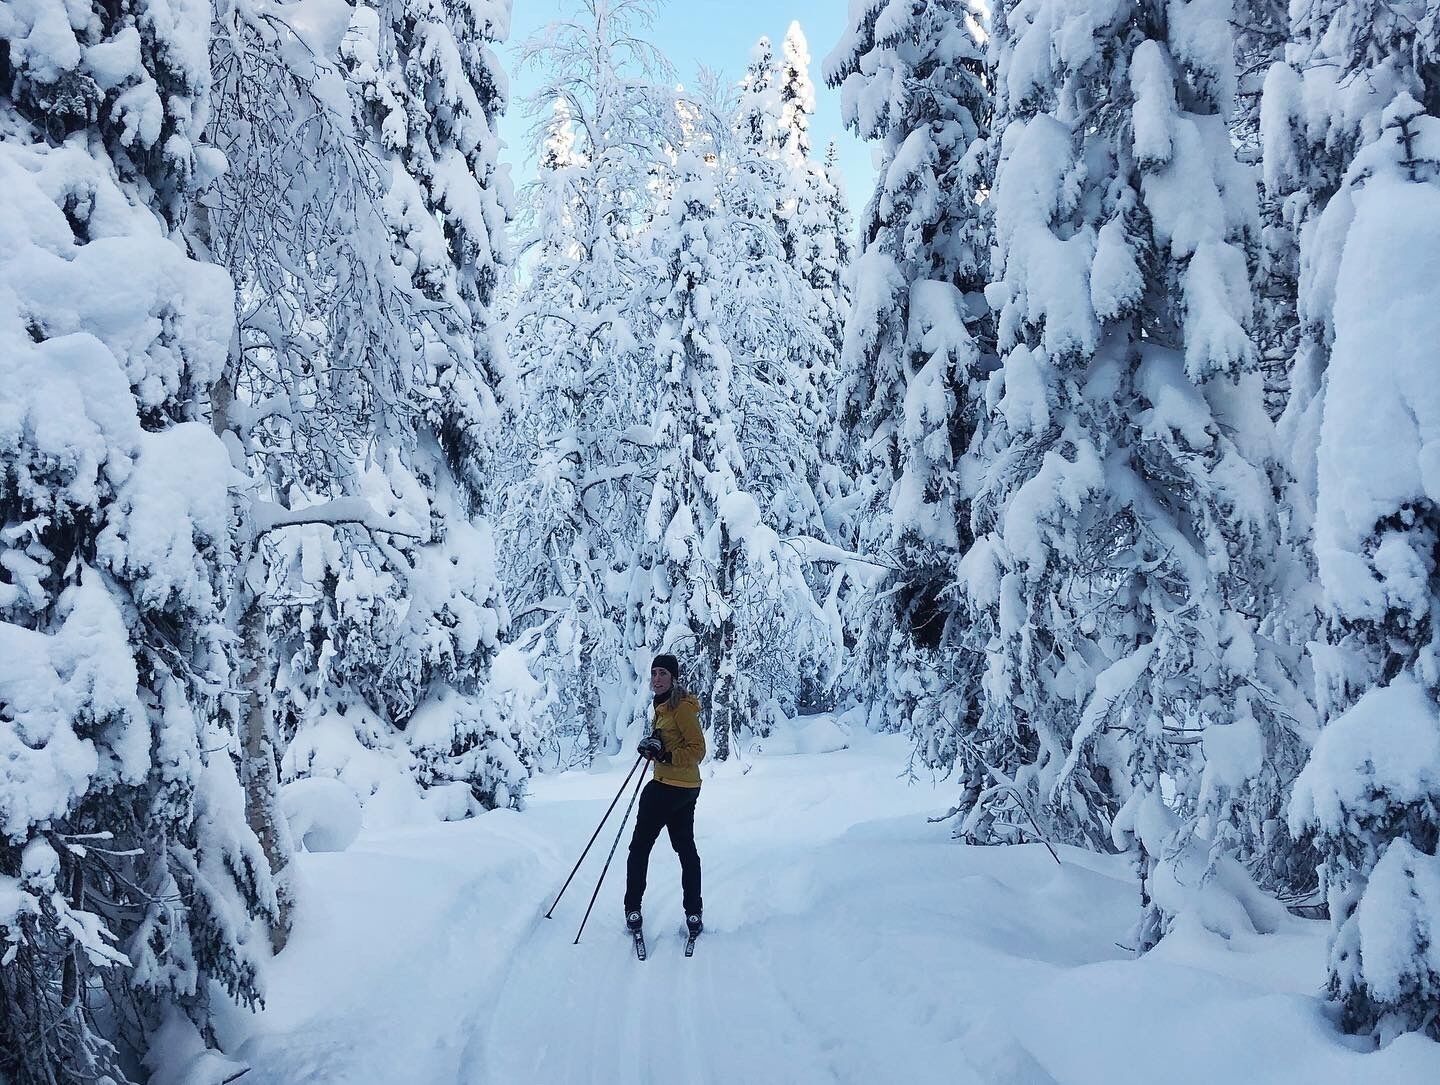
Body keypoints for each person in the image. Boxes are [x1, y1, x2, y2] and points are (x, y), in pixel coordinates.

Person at [624, 653, 706, 937]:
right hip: (684, 789)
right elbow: (670, 742)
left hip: (668, 788)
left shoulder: (681, 708)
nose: (657, 679)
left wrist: (666, 755)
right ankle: (693, 914)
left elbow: (698, 750)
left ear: (674, 678)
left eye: (663, 674)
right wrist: (654, 746)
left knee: (639, 849)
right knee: (685, 850)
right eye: (654, 673)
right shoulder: (664, 707)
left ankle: (632, 908)